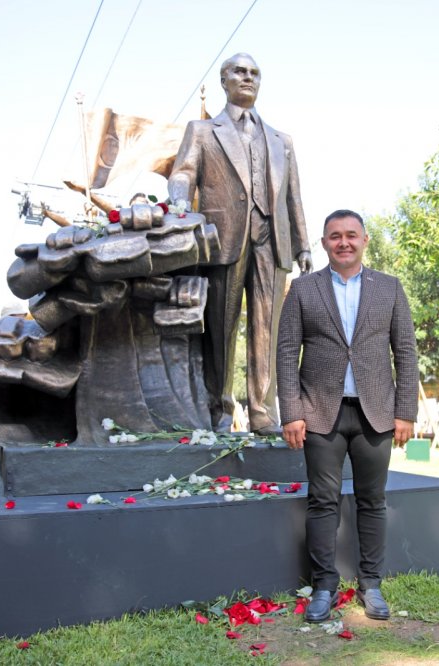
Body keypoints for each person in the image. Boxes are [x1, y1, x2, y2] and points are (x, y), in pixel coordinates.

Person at [276, 209, 418, 622]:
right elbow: (287, 352)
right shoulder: (303, 289)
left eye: (351, 235)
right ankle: (324, 587)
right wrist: (291, 411)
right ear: (324, 243)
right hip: (320, 413)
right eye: (335, 236)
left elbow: (406, 352)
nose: (344, 242)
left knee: (373, 501)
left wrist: (405, 412)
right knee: (323, 501)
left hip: (377, 414)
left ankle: (371, 584)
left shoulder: (390, 288)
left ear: (364, 240)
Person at [168, 53, 312, 434]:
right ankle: (219, 410)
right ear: (224, 80)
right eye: (239, 71)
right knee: (220, 328)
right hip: (223, 241)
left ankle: (263, 412)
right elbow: (183, 174)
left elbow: (293, 197)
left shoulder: (281, 141)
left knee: (268, 330)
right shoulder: (202, 131)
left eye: (254, 73)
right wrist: (179, 202)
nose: (248, 78)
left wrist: (303, 245)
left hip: (272, 242)